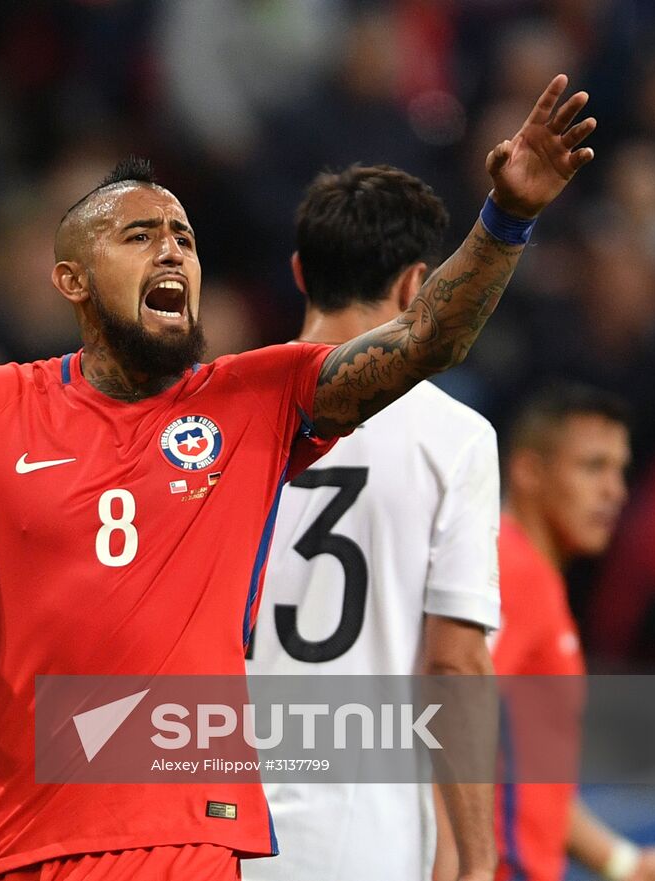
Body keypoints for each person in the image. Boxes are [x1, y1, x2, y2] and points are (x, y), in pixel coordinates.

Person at [0, 75, 594, 880]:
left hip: (180, 838)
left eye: (185, 237)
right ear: (72, 279)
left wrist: (509, 216)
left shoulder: (255, 397)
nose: (173, 248)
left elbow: (426, 339)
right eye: (139, 235)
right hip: (14, 838)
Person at [245, 164, 499, 881]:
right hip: (360, 835)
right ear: (417, 284)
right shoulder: (454, 437)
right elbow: (452, 663)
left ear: (300, 272)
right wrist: (479, 858)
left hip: (205, 818)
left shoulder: (209, 415)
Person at [494, 387, 655, 881]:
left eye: (620, 470)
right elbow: (445, 723)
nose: (615, 490)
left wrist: (622, 863)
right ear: (529, 472)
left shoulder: (532, 576)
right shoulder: (513, 571)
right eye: (593, 467)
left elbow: (533, 781)